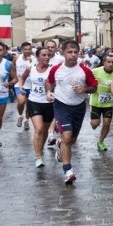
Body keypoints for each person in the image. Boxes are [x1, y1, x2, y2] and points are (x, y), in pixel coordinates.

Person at [46, 40, 98, 184]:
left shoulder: (85, 70)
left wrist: (84, 89)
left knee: (72, 140)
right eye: (69, 52)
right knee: (67, 137)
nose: (73, 55)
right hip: (61, 105)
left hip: (79, 107)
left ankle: (60, 146)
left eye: (76, 52)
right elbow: (49, 81)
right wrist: (49, 92)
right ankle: (68, 171)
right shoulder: (56, 69)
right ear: (62, 53)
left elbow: (94, 87)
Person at [19, 47, 54, 168]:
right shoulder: (31, 68)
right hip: (34, 101)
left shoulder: (53, 69)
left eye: (48, 55)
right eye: (43, 55)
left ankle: (40, 147)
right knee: (38, 129)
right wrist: (21, 87)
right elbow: (22, 78)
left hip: (49, 103)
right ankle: (38, 157)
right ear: (37, 57)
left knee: (44, 130)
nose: (46, 57)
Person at [90, 54, 113, 151]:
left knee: (107, 123)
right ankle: (94, 125)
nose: (111, 64)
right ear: (104, 62)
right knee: (95, 123)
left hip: (108, 103)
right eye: (108, 62)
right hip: (96, 102)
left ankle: (101, 141)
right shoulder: (95, 71)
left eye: (112, 62)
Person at [14, 41, 34, 130]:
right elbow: (12, 68)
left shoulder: (34, 59)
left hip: (31, 85)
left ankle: (26, 120)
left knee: (29, 105)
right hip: (19, 84)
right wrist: (14, 79)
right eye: (25, 49)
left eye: (29, 49)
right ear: (22, 49)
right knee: (21, 102)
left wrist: (32, 62)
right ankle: (20, 116)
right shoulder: (17, 58)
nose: (27, 51)